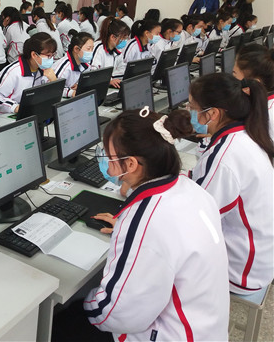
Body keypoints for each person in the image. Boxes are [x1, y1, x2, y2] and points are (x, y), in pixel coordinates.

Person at [56, 108, 229, 342]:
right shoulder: (191, 190)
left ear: (130, 164)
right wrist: (130, 231)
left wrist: (85, 301)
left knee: (61, 322)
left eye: (108, 154)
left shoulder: (147, 220)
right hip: (204, 326)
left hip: (172, 335)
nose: (104, 159)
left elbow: (116, 314)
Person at [189, 73, 274, 296]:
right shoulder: (247, 133)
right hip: (260, 256)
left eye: (193, 108)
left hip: (241, 271)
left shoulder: (224, 156)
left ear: (213, 114)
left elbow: (195, 219)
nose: (190, 113)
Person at [0, 32, 57, 113]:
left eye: (53, 55)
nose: (51, 59)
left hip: (32, 113)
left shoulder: (45, 70)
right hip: (8, 115)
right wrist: (15, 107)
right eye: (48, 56)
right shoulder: (13, 72)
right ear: (34, 55)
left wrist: (54, 82)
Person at [233, 44, 274, 140]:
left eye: (234, 75)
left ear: (253, 83)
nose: (232, 80)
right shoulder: (263, 103)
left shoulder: (265, 116)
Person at [52, 31, 93, 97]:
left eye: (92, 49)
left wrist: (79, 85)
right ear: (76, 49)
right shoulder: (64, 66)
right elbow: (53, 88)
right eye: (88, 49)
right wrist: (70, 92)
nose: (91, 52)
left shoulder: (85, 65)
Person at [92, 17, 130, 85]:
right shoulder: (98, 48)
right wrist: (108, 80)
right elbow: (93, 73)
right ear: (113, 37)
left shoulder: (117, 50)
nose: (125, 41)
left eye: (126, 38)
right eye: (123, 38)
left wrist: (111, 78)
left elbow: (122, 68)